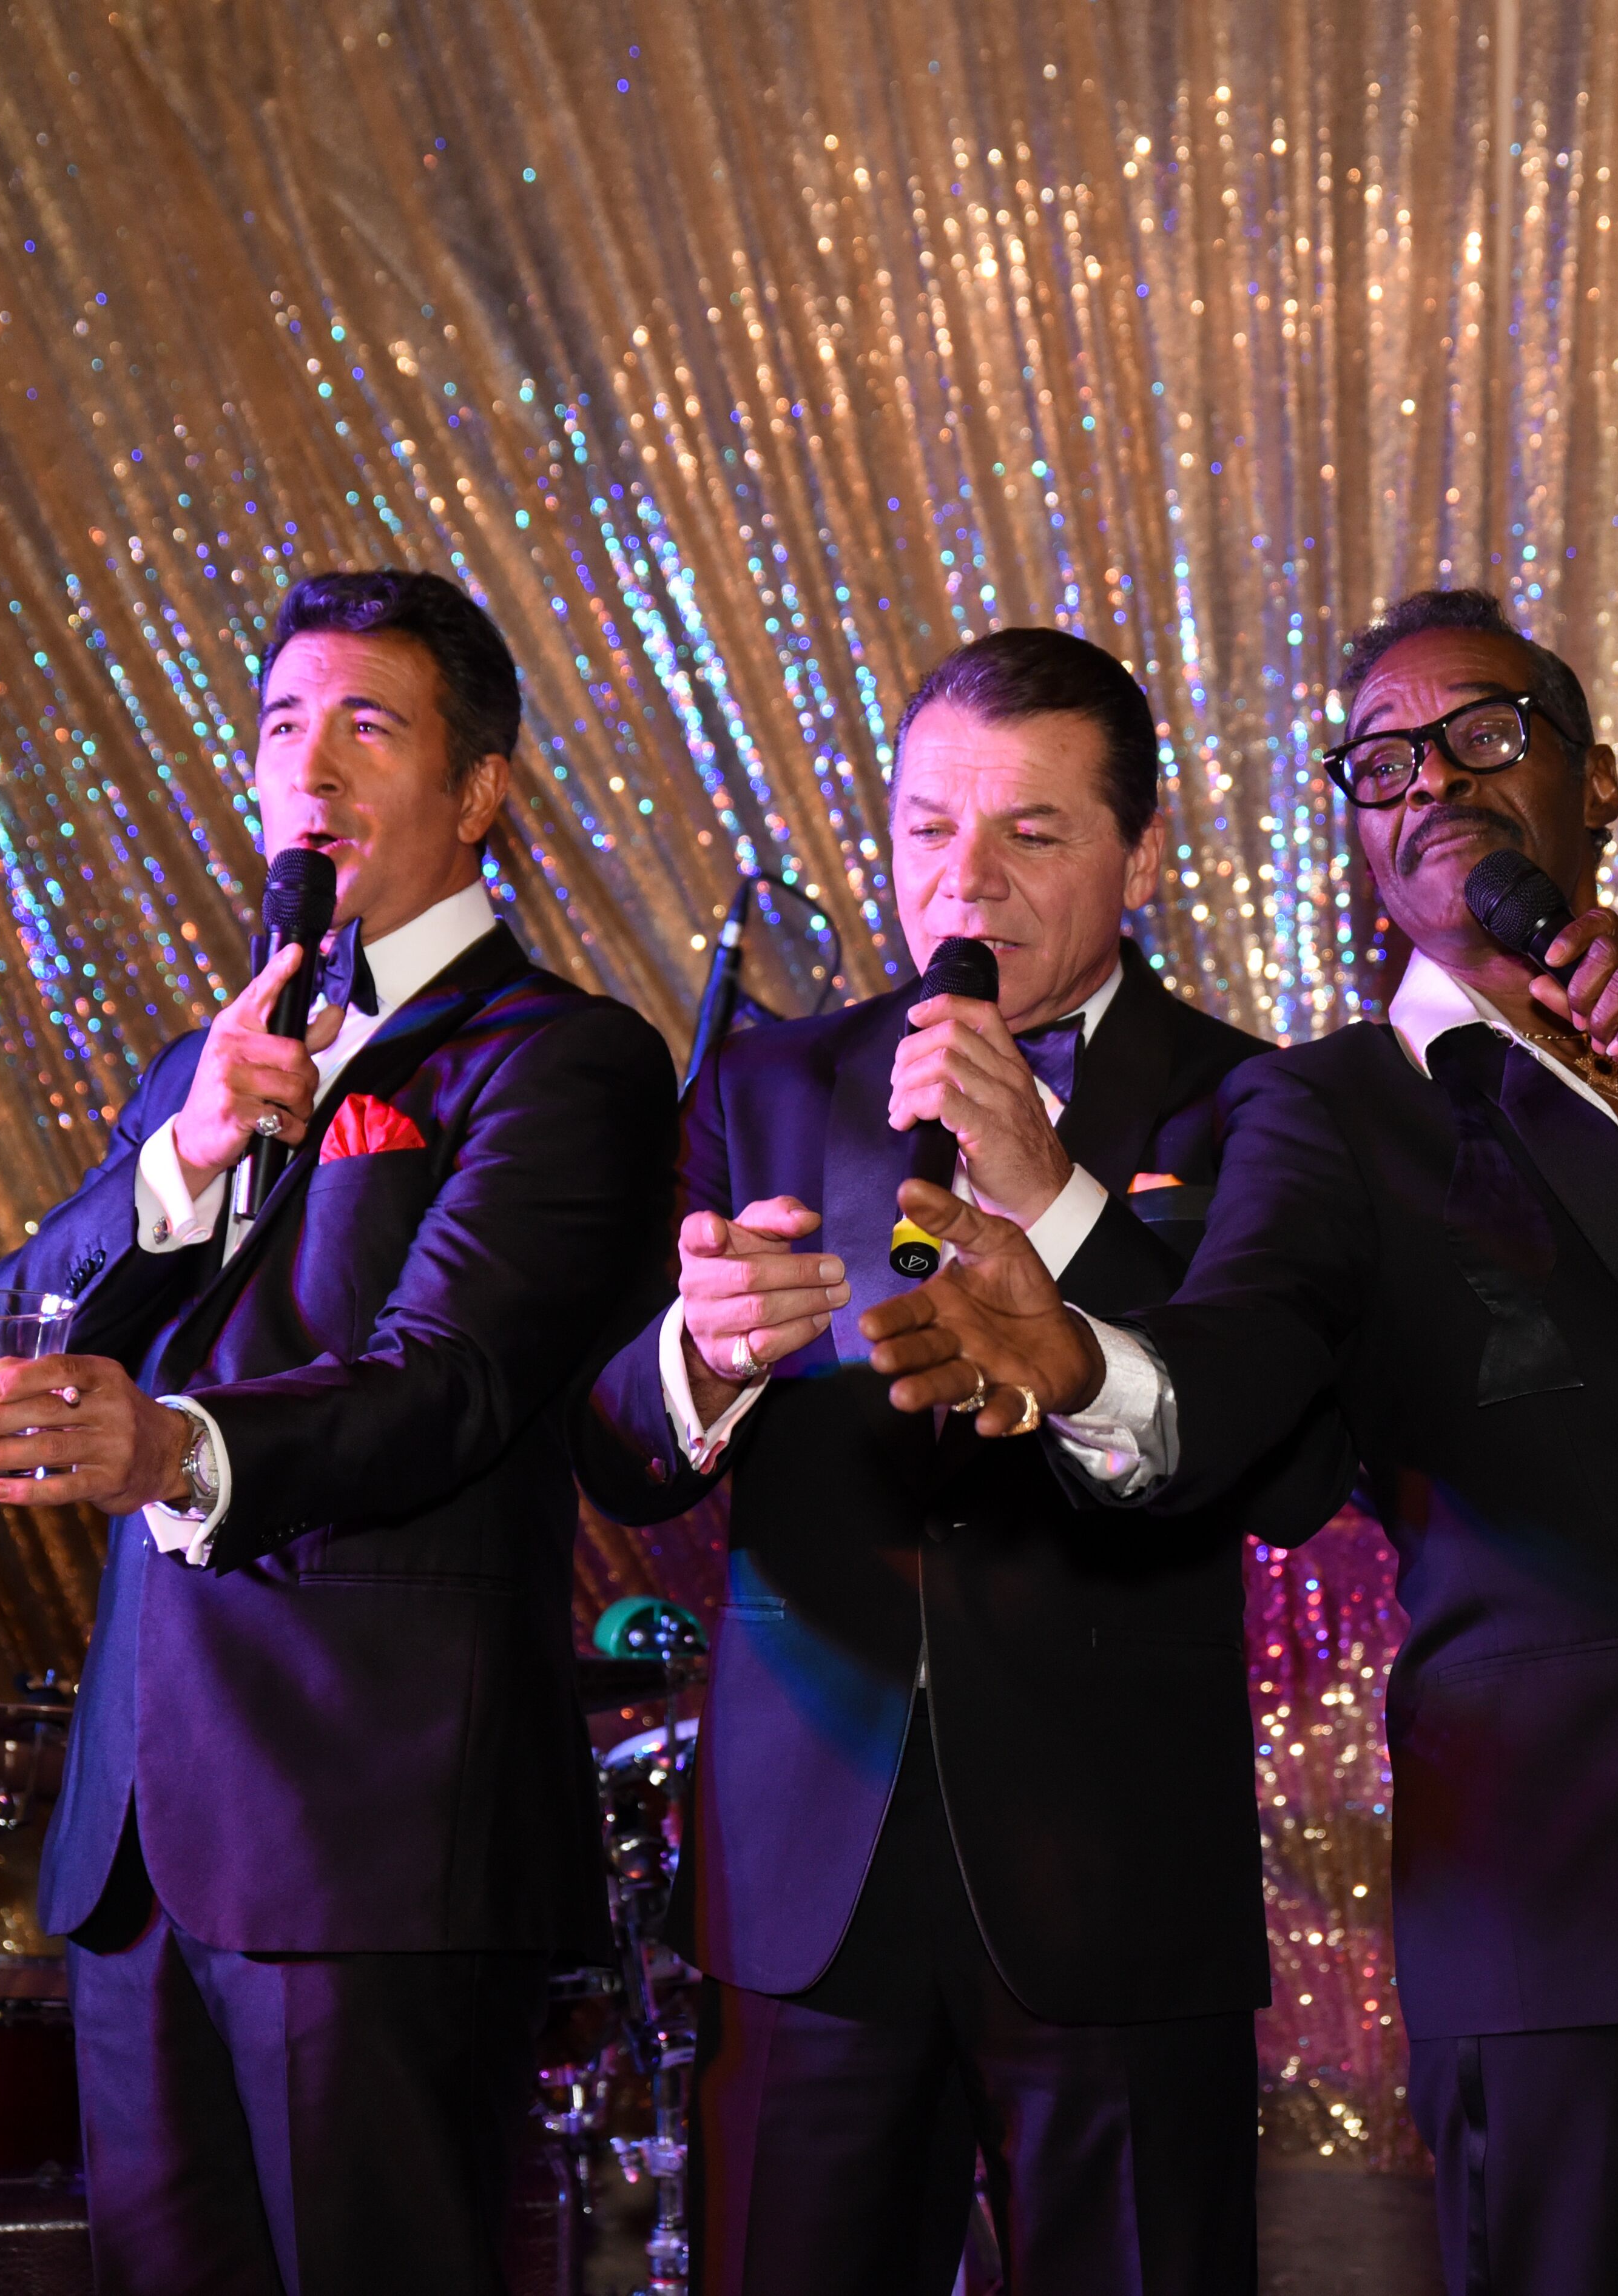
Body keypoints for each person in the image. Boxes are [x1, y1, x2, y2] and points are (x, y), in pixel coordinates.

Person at [858, 590, 1618, 2294]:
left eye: (1483, 733)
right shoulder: (1337, 1110)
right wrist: (1083, 1361)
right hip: (1578, 1939)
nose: (1430, 783)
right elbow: (1236, 1376)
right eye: (1379, 766)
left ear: (1597, 783)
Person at [573, 628, 1343, 2296]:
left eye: (1032, 833)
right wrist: (701, 1353)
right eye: (930, 828)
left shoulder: (1253, 1104)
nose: (965, 880)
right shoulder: (773, 1082)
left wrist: (1056, 1192)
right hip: (803, 1888)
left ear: (1139, 854)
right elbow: (619, 1452)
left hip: (1114, 1890)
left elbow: (1279, 1465)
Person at [0, 568, 674, 2296]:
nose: (313, 772)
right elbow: (11, 1332)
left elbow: (455, 1380)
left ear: (479, 787)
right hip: (143, 1848)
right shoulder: (217, 1062)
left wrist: (179, 1449)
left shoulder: (555, 1059)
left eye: (369, 724)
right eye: (285, 727)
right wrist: (182, 1158)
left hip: (374, 1836)